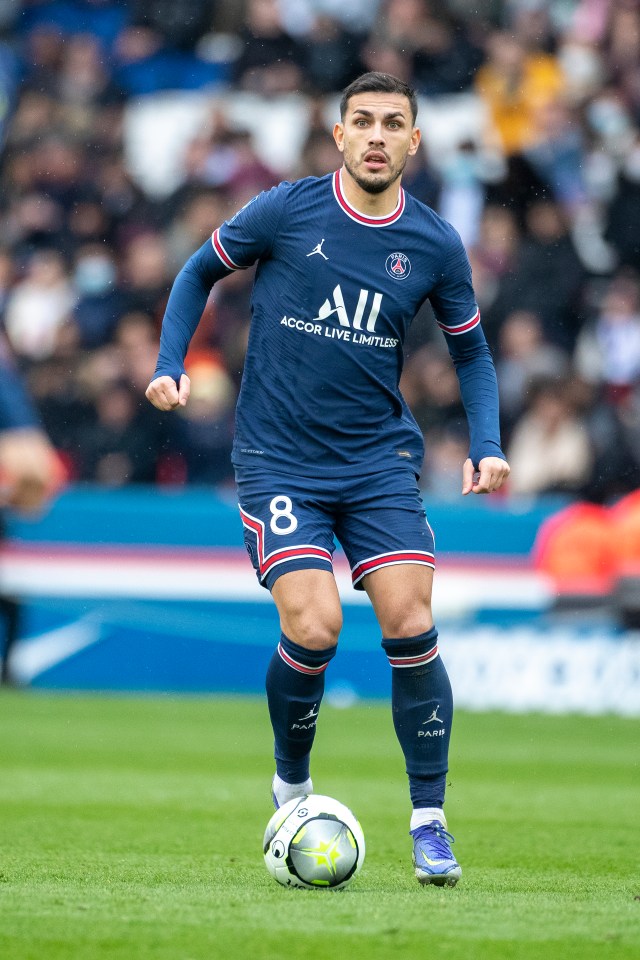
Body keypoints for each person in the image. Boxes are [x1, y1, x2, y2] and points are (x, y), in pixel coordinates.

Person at [146, 72, 510, 887]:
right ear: (338, 135)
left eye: (393, 124)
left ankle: (429, 821)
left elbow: (471, 351)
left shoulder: (436, 244)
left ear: (415, 142)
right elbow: (196, 272)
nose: (376, 136)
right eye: (362, 122)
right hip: (279, 461)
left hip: (378, 462)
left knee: (410, 619)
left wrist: (485, 440)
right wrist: (170, 362)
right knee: (313, 627)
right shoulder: (286, 209)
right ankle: (292, 782)